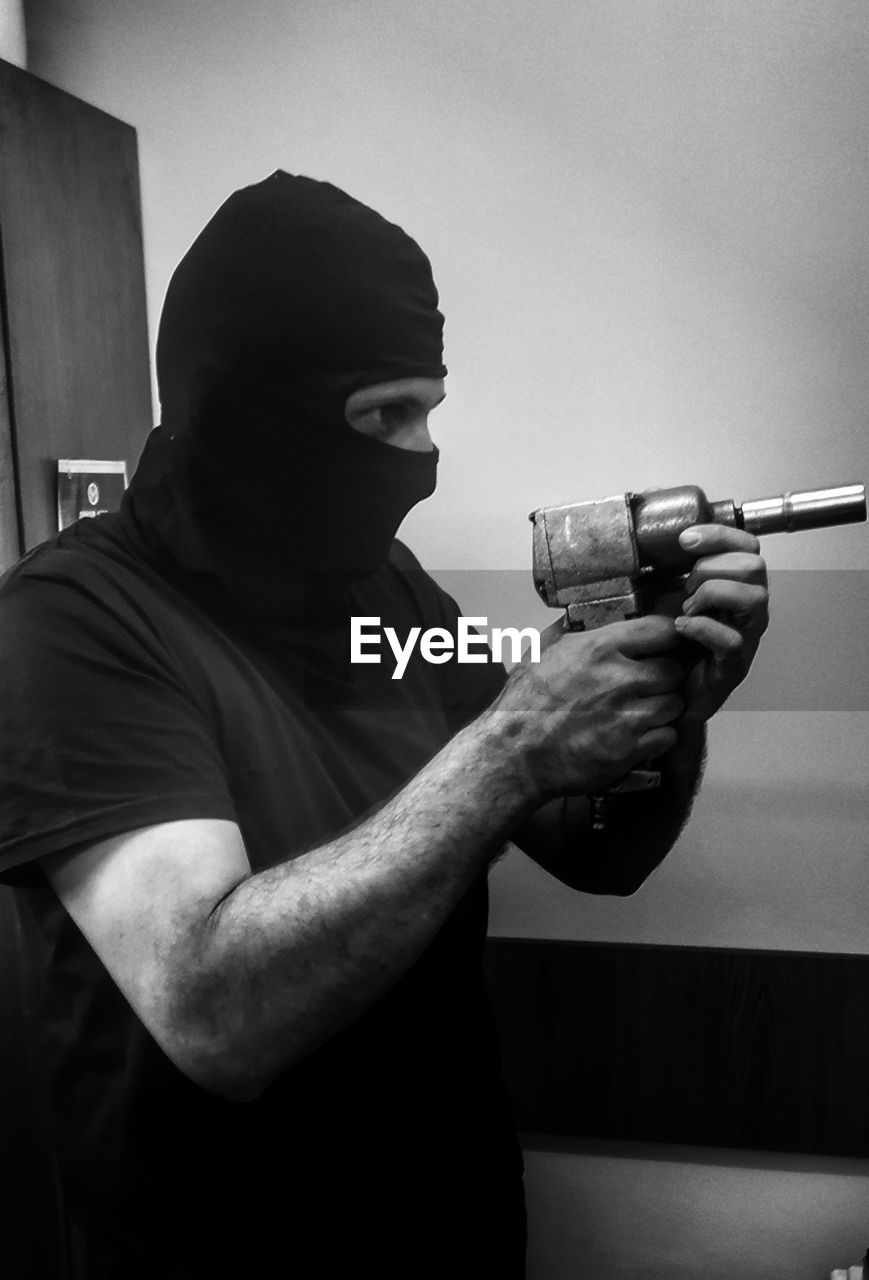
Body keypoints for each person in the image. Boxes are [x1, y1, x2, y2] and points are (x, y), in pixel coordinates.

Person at [0, 172, 769, 1279]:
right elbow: (213, 1008)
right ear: (246, 401)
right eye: (381, 414)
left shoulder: (383, 588)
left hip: (446, 1228)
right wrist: (511, 745)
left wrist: (670, 689)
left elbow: (593, 843)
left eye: (426, 409)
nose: (417, 455)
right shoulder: (72, 624)